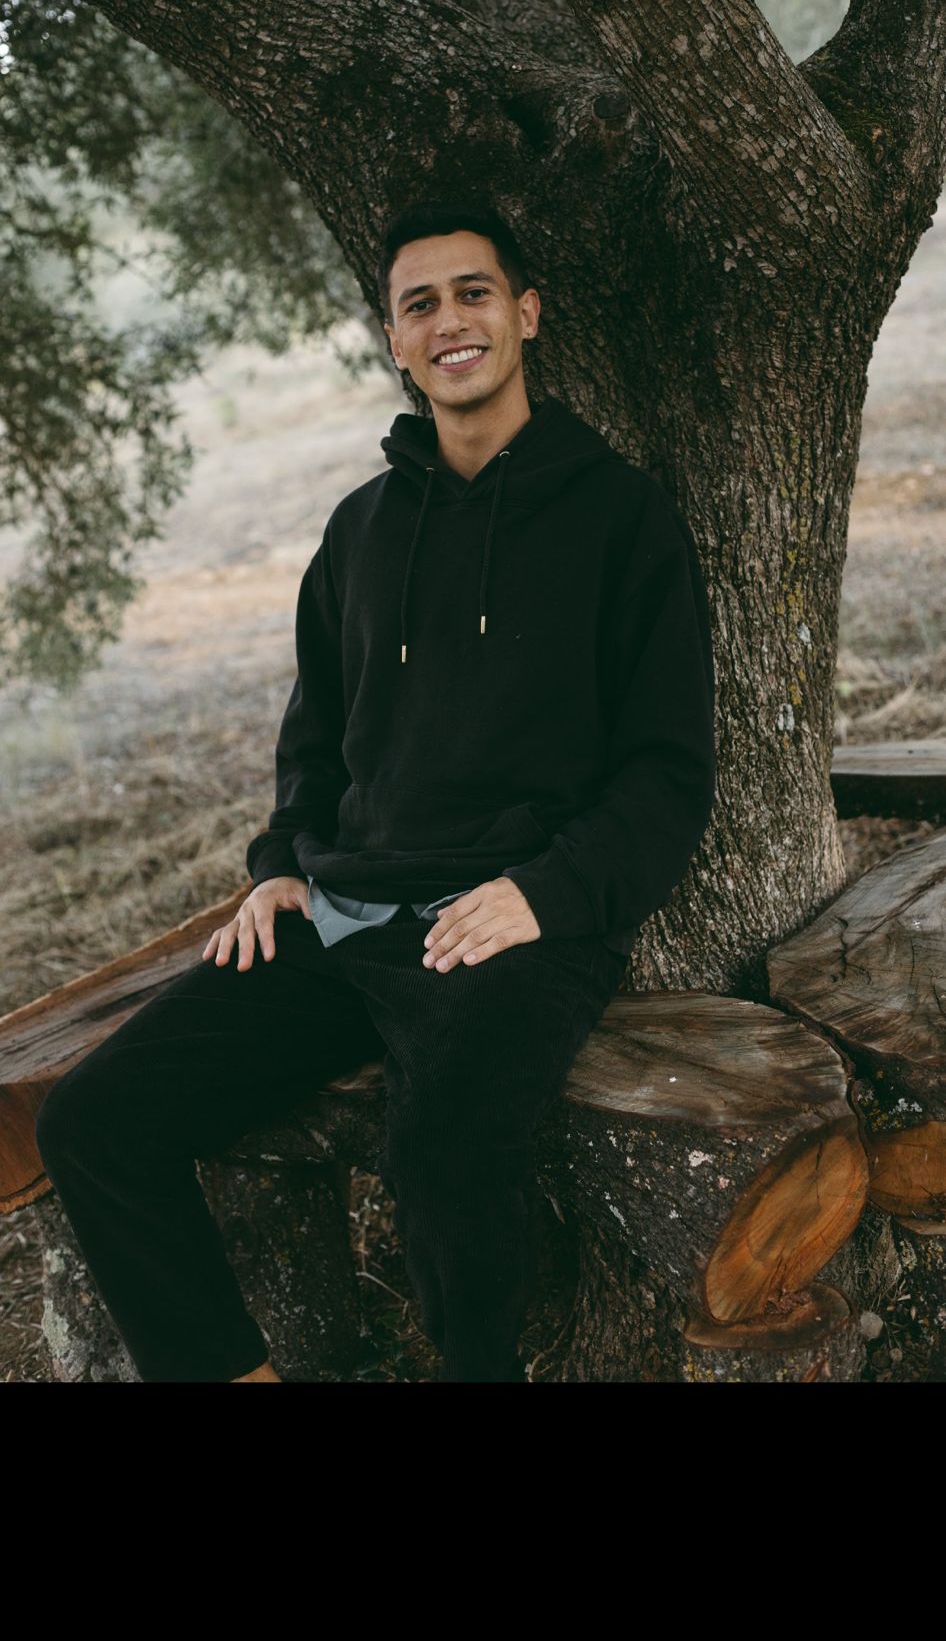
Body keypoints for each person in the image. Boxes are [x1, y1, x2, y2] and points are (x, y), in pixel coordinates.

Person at [34, 196, 717, 1384]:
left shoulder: (621, 517)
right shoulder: (359, 530)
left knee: (443, 1154)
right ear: (395, 340)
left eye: (473, 292)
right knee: (93, 1119)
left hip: (511, 921)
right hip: (346, 915)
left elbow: (668, 771)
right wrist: (279, 867)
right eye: (420, 304)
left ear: (526, 314)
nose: (450, 321)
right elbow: (315, 744)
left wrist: (545, 892)